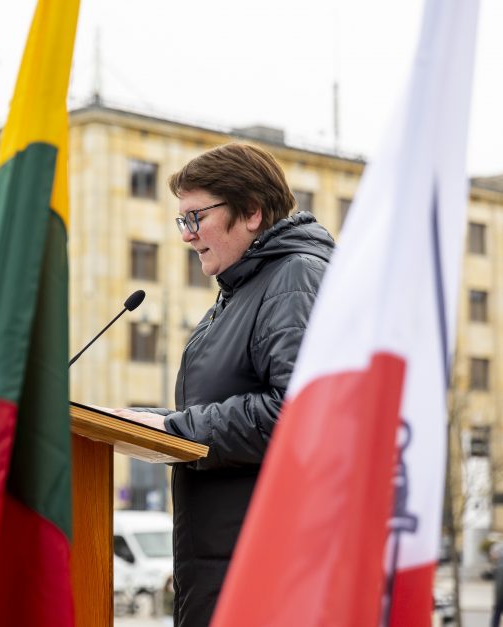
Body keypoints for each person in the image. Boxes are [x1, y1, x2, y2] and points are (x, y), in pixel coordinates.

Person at [111, 142, 335, 626]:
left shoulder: (294, 278)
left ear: (251, 212)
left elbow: (295, 415)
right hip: (223, 566)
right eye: (181, 221)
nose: (187, 236)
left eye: (196, 217)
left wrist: (175, 429)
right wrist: (155, 424)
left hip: (263, 573)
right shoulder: (241, 290)